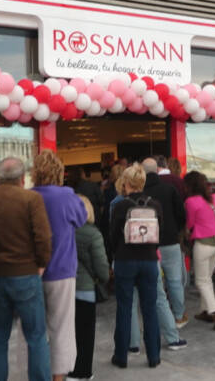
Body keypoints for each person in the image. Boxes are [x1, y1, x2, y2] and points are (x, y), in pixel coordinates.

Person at [0, 157, 52, 381]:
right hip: (26, 273)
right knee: (36, 337)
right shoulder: (31, 199)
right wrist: (41, 263)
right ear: (22, 178)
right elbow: (43, 237)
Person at [31, 151, 88, 381]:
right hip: (62, 270)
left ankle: (35, 374)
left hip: (31, 272)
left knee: (31, 329)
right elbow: (82, 218)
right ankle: (58, 377)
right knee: (62, 328)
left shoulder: (29, 196)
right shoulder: (67, 196)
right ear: (59, 172)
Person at [109, 163, 162, 369]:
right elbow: (159, 234)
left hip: (125, 260)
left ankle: (121, 356)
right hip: (149, 260)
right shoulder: (155, 205)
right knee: (150, 309)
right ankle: (154, 356)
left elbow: (113, 236)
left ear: (126, 183)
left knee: (124, 308)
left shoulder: (121, 206)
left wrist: (115, 254)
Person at [67, 195, 110, 381]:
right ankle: (82, 371)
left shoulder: (64, 231)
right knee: (85, 334)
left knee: (68, 332)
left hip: (64, 287)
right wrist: (103, 279)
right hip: (85, 289)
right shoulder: (93, 234)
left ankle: (65, 367)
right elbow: (102, 269)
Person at [141, 158, 187, 328]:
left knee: (155, 283)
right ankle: (179, 316)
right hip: (170, 240)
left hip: (149, 243)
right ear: (158, 170)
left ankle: (159, 316)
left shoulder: (141, 193)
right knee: (175, 280)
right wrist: (176, 229)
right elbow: (181, 214)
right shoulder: (169, 188)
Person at [183, 171, 215, 330]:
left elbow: (189, 224)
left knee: (201, 281)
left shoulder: (190, 202)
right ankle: (205, 311)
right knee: (207, 278)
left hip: (202, 244)